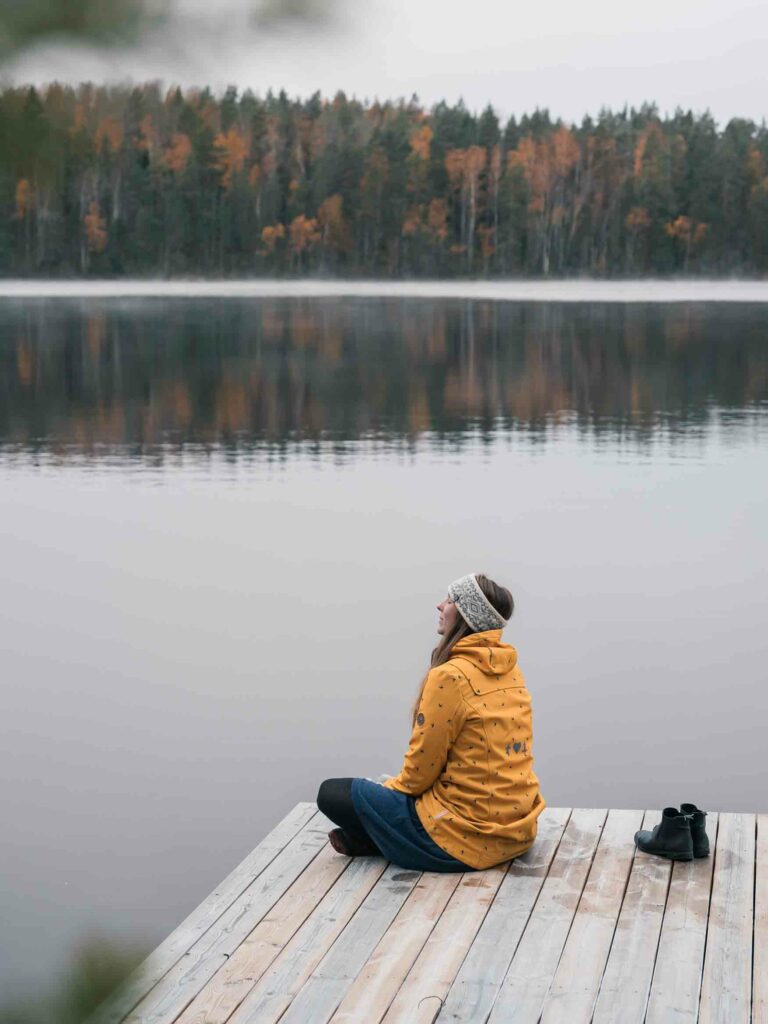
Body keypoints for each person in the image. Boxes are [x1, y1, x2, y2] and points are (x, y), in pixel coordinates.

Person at [316, 572, 547, 872]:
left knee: (332, 793)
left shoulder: (449, 676)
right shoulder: (510, 670)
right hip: (516, 833)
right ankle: (378, 839)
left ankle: (382, 840)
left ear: (466, 614)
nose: (440, 605)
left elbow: (418, 776)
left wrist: (387, 789)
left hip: (460, 841)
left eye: (450, 599)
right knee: (379, 804)